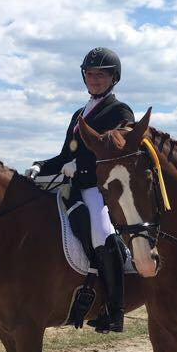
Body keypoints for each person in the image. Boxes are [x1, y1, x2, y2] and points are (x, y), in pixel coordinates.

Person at [25, 47, 134, 333]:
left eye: (101, 74)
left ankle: (115, 309)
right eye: (90, 74)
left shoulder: (120, 111)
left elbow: (116, 152)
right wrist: (40, 166)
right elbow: (65, 155)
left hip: (99, 188)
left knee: (101, 232)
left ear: (114, 78)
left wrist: (83, 167)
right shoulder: (78, 113)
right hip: (72, 188)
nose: (94, 79)